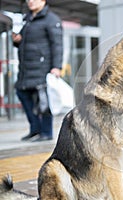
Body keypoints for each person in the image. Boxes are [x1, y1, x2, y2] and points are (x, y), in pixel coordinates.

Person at [12, 0, 63, 142]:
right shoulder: (28, 19)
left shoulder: (51, 19)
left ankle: (46, 132)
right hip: (26, 68)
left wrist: (56, 66)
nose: (30, 2)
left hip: (42, 68)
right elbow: (24, 42)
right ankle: (35, 129)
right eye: (28, 0)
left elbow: (57, 45)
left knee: (43, 101)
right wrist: (17, 41)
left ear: (43, 1)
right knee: (21, 92)